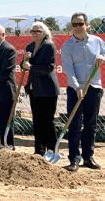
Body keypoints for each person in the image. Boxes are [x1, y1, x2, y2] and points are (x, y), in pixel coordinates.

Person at [61, 12, 105, 172]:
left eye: (80, 24)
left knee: (90, 125)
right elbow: (68, 69)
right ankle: (74, 159)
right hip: (75, 90)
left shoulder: (98, 41)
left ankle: (88, 157)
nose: (78, 27)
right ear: (71, 26)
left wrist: (102, 57)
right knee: (74, 124)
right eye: (74, 24)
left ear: (87, 25)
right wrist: (77, 87)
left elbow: (104, 53)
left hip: (94, 88)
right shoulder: (67, 47)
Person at [21, 22, 60, 156]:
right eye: (33, 31)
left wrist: (31, 67)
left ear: (44, 33)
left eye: (38, 31)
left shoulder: (49, 45)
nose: (35, 33)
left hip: (48, 88)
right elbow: (24, 65)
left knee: (48, 120)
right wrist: (24, 62)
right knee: (37, 120)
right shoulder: (30, 46)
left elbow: (49, 67)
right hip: (34, 88)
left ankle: (52, 149)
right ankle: (39, 150)